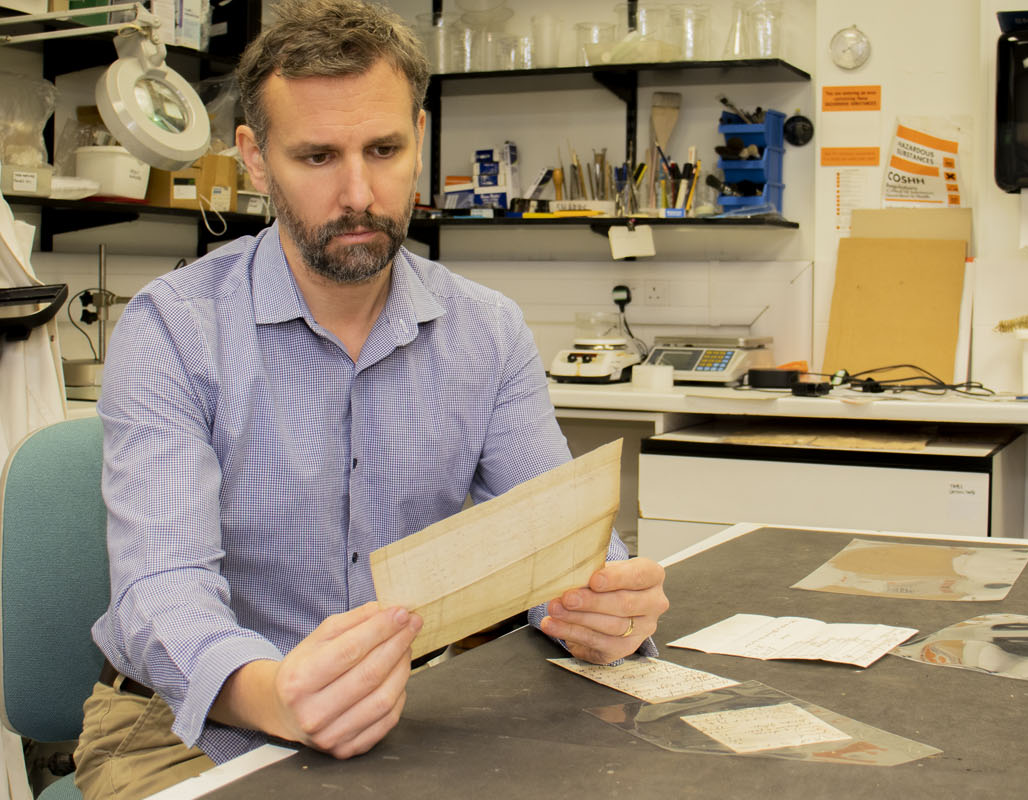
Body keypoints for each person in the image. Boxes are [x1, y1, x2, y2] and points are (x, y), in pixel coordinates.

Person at [73, 2, 669, 797]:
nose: (359, 193)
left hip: (402, 709)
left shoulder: (486, 332)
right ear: (253, 158)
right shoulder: (173, 331)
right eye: (317, 156)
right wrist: (277, 694)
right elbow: (163, 590)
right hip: (186, 724)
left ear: (419, 136)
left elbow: (552, 536)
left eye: (384, 149)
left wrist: (600, 608)